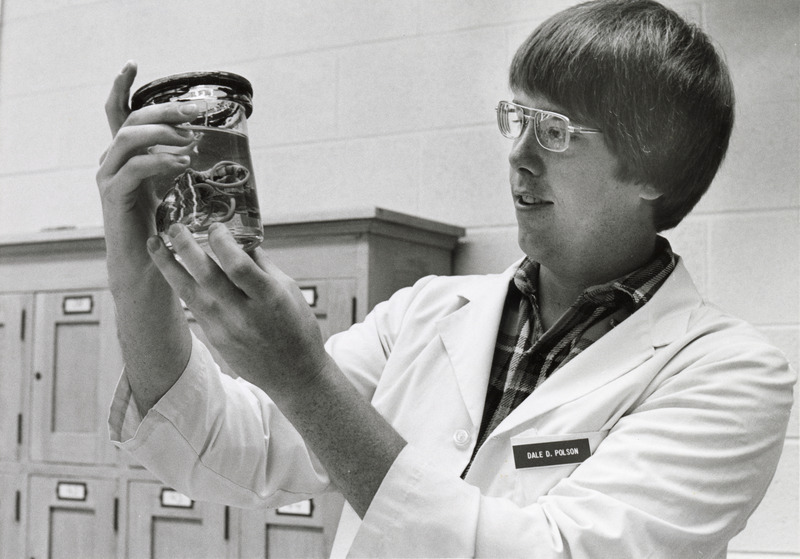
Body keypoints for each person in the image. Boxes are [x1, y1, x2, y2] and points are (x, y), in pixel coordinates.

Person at [100, 0, 795, 557]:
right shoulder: (430, 313)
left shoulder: (731, 374)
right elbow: (235, 447)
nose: (517, 156)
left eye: (553, 131)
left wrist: (306, 379)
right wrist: (137, 265)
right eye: (515, 118)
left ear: (652, 172)